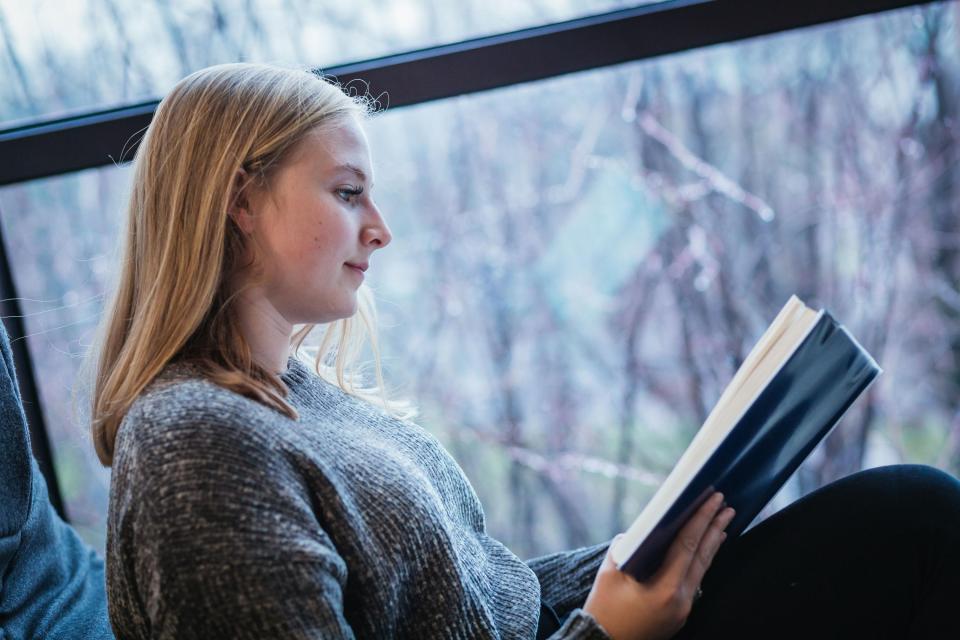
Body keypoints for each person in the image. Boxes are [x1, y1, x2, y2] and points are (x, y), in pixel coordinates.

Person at [93, 63, 960, 640]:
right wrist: (608, 632)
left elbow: (483, 596)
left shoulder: (298, 394)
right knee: (917, 522)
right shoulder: (195, 445)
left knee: (910, 514)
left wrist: (631, 555)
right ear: (239, 201)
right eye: (348, 193)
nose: (380, 230)